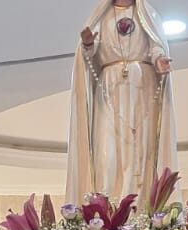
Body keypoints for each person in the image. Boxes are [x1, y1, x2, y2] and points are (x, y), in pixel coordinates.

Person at [66, 0, 177, 206]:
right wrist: (88, 45)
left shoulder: (147, 14)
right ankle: (108, 205)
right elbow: (90, 56)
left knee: (142, 147)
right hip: (109, 89)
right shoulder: (101, 17)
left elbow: (156, 45)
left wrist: (159, 59)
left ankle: (140, 205)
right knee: (106, 149)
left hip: (142, 87)